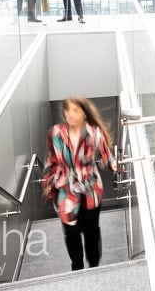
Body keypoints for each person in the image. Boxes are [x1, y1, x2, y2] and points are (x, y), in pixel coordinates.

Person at [42, 95, 117, 271]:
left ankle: (93, 264)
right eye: (67, 110)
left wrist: (113, 163)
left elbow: (106, 156)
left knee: (91, 231)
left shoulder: (94, 133)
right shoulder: (55, 134)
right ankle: (77, 266)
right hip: (65, 190)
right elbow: (51, 159)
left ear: (84, 113)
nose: (71, 114)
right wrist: (48, 181)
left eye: (75, 110)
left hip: (91, 189)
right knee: (71, 232)